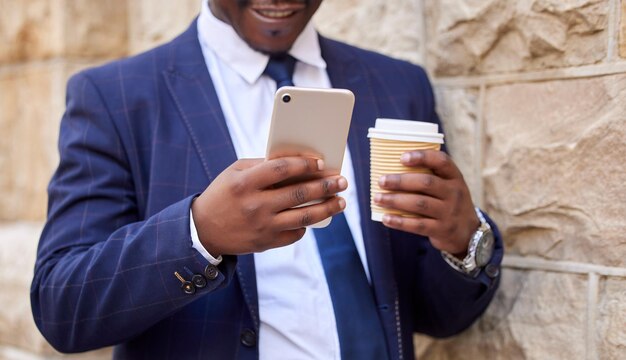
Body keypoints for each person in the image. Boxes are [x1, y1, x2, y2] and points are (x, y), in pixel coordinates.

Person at [31, 0, 504, 359]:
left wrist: (462, 241)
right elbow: (63, 308)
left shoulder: (398, 85)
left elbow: (438, 316)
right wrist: (198, 234)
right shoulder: (115, 98)